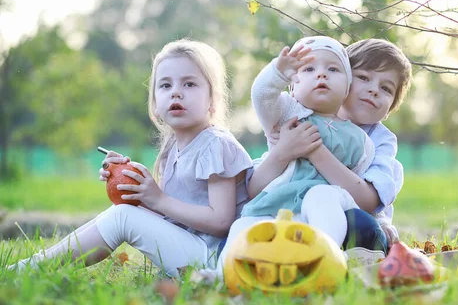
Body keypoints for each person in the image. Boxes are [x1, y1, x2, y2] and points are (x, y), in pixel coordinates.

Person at [9, 39, 253, 278]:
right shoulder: (172, 148)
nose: (176, 92)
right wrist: (132, 188)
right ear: (155, 104)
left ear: (213, 100)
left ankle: (28, 270)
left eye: (189, 84)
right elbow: (173, 217)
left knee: (122, 218)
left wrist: (159, 199)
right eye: (165, 86)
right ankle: (34, 265)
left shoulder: (216, 145)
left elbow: (221, 221)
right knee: (122, 211)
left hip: (217, 259)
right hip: (193, 249)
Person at [216, 36, 375, 272]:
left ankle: (323, 260)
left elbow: (356, 183)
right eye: (309, 69)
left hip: (326, 206)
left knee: (320, 195)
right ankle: (221, 276)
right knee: (244, 227)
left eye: (333, 69)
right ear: (292, 87)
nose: (321, 75)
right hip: (275, 207)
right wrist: (277, 72)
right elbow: (261, 95)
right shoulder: (289, 112)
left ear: (347, 89)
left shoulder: (360, 139)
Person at [246, 38, 412, 259]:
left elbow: (367, 200)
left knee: (363, 227)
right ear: (345, 81)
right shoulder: (298, 117)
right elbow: (254, 190)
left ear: (391, 106)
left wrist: (315, 150)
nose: (373, 90)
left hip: (346, 217)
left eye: (386, 88)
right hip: (287, 208)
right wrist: (283, 152)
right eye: (363, 78)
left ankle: (324, 257)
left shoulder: (380, 142)